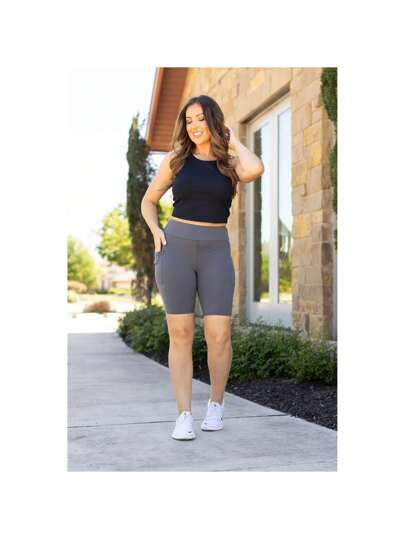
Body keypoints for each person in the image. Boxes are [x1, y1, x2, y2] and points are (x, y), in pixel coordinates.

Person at [141, 95, 264, 440]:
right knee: (180, 333)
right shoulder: (176, 160)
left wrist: (233, 138)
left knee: (219, 334)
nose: (194, 126)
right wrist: (155, 231)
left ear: (214, 121)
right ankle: (183, 415)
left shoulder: (230, 163)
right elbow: (149, 200)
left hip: (215, 250)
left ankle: (216, 405)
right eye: (189, 120)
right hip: (175, 249)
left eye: (201, 119)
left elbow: (255, 169)